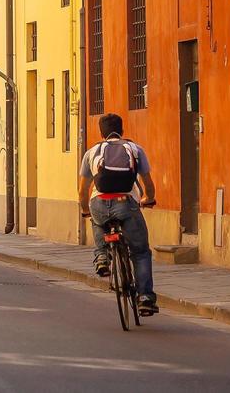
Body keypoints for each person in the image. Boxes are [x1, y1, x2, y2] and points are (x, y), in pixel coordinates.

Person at [78, 113, 158, 316]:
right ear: (122, 130)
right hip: (126, 204)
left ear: (101, 132)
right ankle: (145, 298)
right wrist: (148, 198)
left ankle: (102, 256)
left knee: (96, 221)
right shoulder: (134, 149)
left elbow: (82, 190)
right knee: (140, 252)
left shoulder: (92, 152)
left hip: (99, 202)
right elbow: (148, 182)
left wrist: (85, 210)